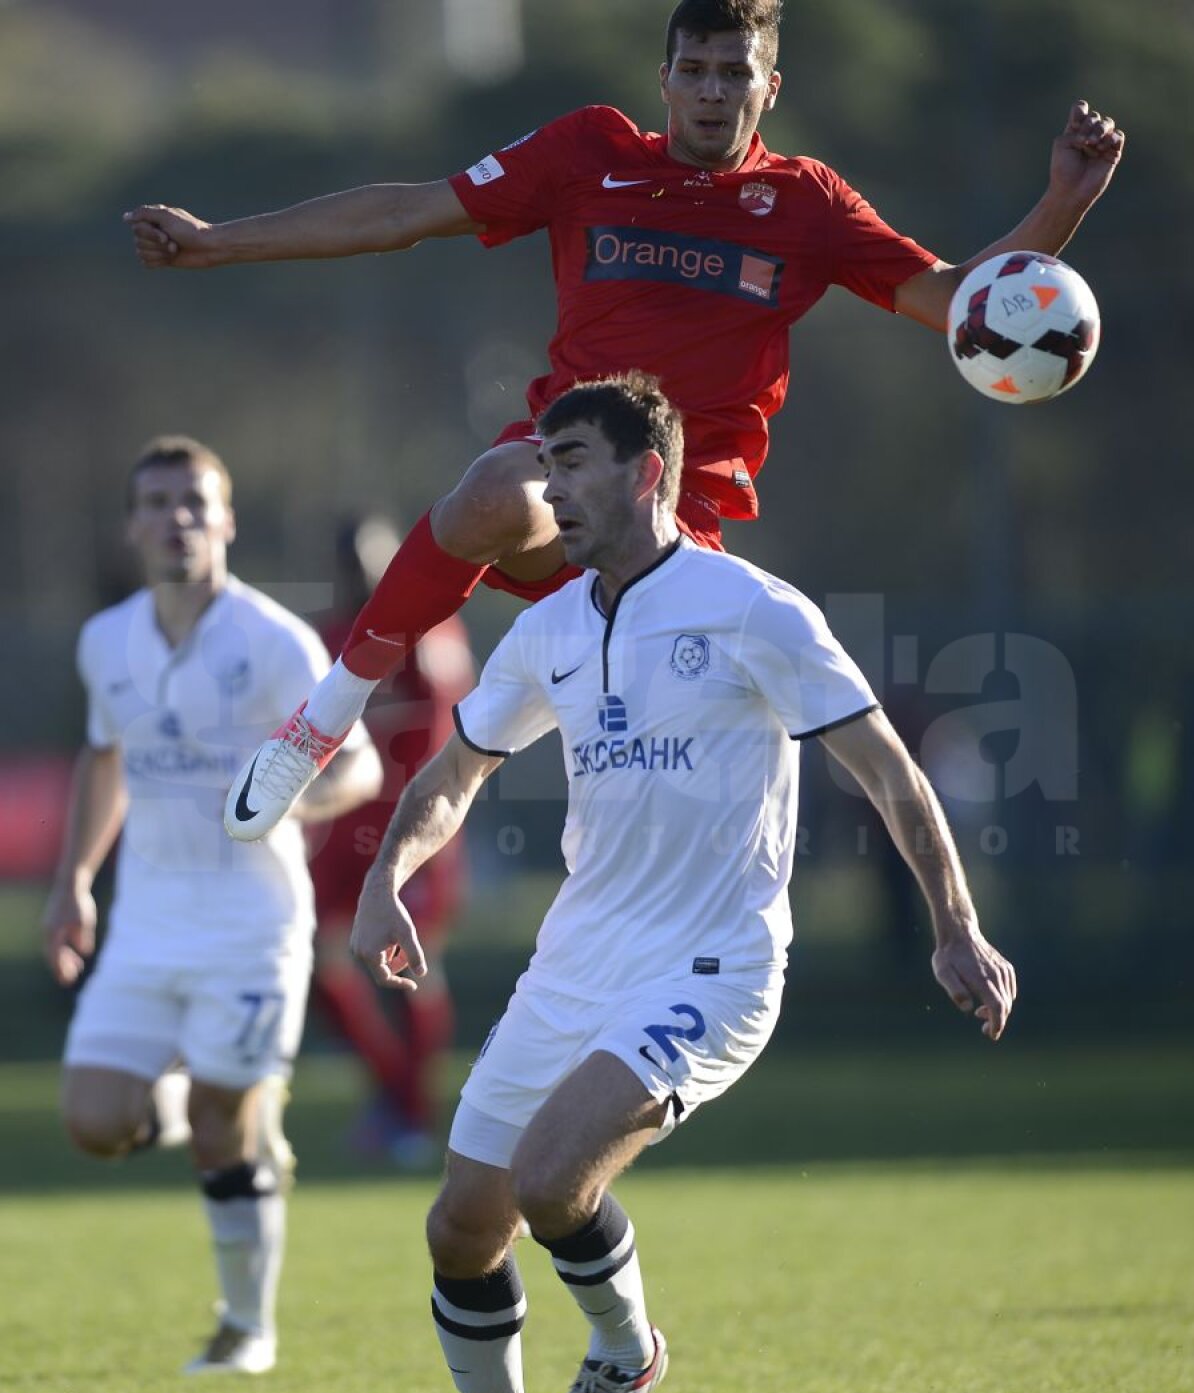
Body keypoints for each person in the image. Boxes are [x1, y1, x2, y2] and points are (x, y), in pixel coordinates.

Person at [121, 0, 1124, 841]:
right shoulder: (587, 152)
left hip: (675, 539)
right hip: (567, 489)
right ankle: (321, 724)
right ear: (665, 78)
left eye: (736, 72)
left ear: (769, 86)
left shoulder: (805, 203)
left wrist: (1059, 210)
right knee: (488, 491)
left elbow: (958, 303)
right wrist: (218, 245)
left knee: (658, 821)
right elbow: (405, 211)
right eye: (695, 69)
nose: (712, 91)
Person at [346, 373, 1016, 1393]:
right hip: (575, 962)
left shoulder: (754, 609)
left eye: (567, 463)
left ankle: (624, 1352)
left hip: (713, 964)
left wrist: (957, 925)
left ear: (645, 470)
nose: (545, 489)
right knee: (463, 1226)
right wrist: (385, 880)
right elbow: (455, 771)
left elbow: (890, 771)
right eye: (542, 464)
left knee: (554, 1181)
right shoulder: (548, 627)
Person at [42, 436, 382, 1374]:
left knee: (228, 1132)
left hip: (252, 924)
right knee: (93, 1121)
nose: (176, 518)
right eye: (156, 502)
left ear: (226, 520)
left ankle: (246, 1327)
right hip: (147, 924)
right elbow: (106, 756)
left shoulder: (271, 640)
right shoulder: (104, 638)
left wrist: (290, 794)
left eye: (195, 502)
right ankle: (210, 1097)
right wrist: (74, 879)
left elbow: (357, 761)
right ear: (132, 525)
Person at [308, 517, 474, 1165]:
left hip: (410, 830)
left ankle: (413, 1115)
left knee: (412, 968)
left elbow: (443, 740)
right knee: (316, 960)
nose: (359, 574)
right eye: (347, 562)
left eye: (370, 560)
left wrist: (425, 834)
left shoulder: (430, 633)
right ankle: (392, 1092)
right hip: (342, 829)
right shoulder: (328, 639)